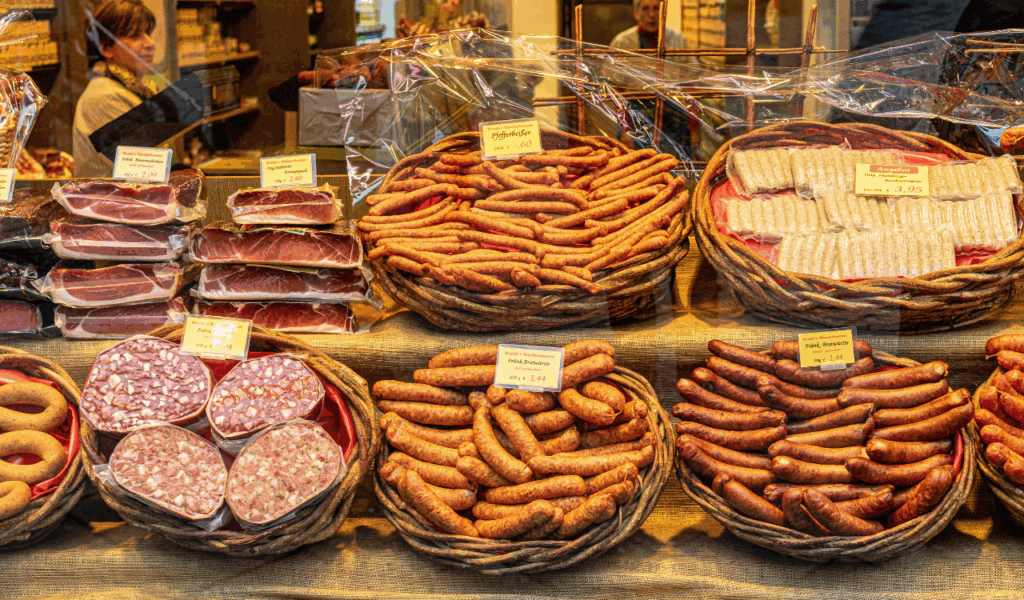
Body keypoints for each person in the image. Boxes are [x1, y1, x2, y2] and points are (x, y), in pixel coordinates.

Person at [73, 0, 159, 177]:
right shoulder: (106, 97)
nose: (150, 43)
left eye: (148, 33)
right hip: (114, 203)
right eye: (136, 35)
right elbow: (145, 170)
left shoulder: (134, 89)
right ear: (106, 48)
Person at [609, 0, 696, 65]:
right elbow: (611, 80)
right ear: (636, 13)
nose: (652, 14)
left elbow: (694, 73)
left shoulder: (678, 39)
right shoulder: (621, 42)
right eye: (645, 8)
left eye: (656, 8)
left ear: (664, 12)